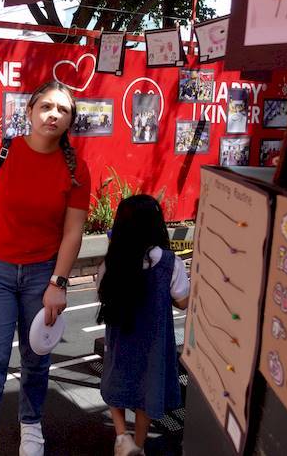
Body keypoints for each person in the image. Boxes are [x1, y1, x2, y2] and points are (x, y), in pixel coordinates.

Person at [0, 81, 90, 456]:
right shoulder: (1, 152)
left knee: (36, 358)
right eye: (46, 106)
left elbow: (73, 232)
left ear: (70, 121)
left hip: (42, 275)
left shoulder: (76, 169)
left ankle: (31, 424)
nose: (53, 114)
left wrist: (58, 283)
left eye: (63, 110)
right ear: (29, 112)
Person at [96, 195, 190, 456]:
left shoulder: (111, 263)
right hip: (154, 345)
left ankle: (121, 436)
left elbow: (102, 294)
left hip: (120, 341)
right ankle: (138, 444)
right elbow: (183, 301)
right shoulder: (170, 262)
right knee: (147, 394)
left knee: (114, 384)